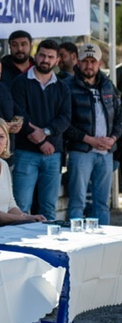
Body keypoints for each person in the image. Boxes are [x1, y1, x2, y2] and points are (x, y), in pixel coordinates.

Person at [11, 40, 71, 220]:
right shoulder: (20, 83)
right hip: (25, 153)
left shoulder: (62, 87)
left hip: (53, 154)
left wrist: (45, 132)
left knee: (49, 209)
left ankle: (47, 239)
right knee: (21, 208)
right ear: (35, 56)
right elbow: (19, 115)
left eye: (50, 57)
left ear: (57, 60)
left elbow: (65, 118)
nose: (45, 60)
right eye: (42, 55)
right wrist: (41, 141)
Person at [65, 43, 122, 225]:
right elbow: (65, 123)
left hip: (106, 153)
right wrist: (89, 140)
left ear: (99, 63)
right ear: (78, 62)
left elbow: (119, 117)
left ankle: (103, 240)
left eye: (93, 61)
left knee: (102, 204)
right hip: (81, 152)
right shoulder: (67, 86)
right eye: (85, 61)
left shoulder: (108, 86)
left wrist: (113, 139)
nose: (88, 65)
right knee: (77, 203)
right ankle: (75, 239)